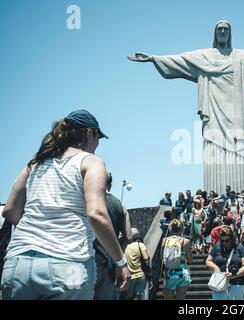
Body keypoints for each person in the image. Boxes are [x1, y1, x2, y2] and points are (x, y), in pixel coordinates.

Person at [128, 20, 244, 193]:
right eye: (220, 29)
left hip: (235, 114)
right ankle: (214, 192)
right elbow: (180, 60)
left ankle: (237, 192)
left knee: (236, 148)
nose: (223, 32)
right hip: (213, 112)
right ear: (215, 33)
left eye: (226, 29)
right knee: (213, 148)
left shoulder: (240, 57)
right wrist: (153, 58)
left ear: (230, 33)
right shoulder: (203, 57)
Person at [1, 110, 130, 300]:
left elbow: (10, 211)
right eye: (98, 138)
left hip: (18, 263)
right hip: (68, 263)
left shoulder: (35, 164)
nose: (97, 144)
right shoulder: (91, 162)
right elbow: (96, 214)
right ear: (89, 134)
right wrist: (120, 261)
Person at [94, 172, 133, 300]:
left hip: (85, 261)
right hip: (109, 263)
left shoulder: (87, 200)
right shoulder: (119, 204)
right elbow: (128, 236)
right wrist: (116, 253)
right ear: (109, 185)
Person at [206, 225, 244, 300]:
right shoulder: (217, 246)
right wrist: (215, 267)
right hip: (219, 281)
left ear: (232, 239)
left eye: (227, 241)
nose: (224, 243)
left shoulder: (239, 247)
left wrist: (236, 274)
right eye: (222, 241)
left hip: (237, 282)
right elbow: (208, 260)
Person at [161, 219, 192, 300]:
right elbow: (190, 260)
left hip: (170, 273)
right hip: (182, 273)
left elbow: (162, 257)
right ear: (182, 229)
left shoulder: (165, 240)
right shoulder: (186, 241)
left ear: (170, 228)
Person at [125, 228, 151, 300]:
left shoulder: (126, 247)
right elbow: (146, 258)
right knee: (139, 295)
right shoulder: (140, 245)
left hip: (130, 276)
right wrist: (149, 257)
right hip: (140, 274)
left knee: (130, 297)